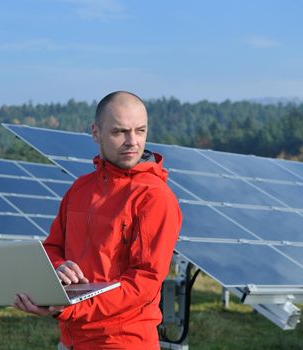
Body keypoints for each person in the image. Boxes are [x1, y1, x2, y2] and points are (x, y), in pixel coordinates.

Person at [14, 91, 182, 349]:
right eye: (119, 132)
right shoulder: (80, 189)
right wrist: (58, 269)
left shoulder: (154, 197)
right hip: (70, 340)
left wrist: (70, 307)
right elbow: (52, 248)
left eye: (140, 131)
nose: (132, 142)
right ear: (95, 133)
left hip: (123, 342)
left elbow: (144, 283)